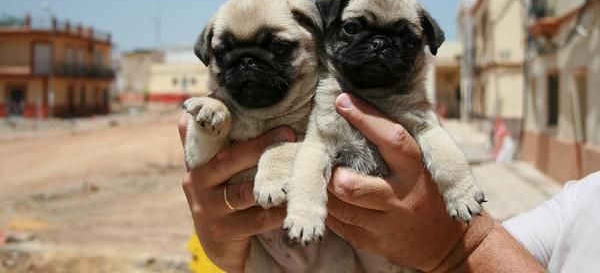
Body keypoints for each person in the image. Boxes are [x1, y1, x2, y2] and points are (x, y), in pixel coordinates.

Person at [181, 93, 580, 272]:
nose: (378, 47)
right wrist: (232, 250)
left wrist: (456, 244)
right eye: (353, 32)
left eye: (402, 39)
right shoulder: (578, 210)